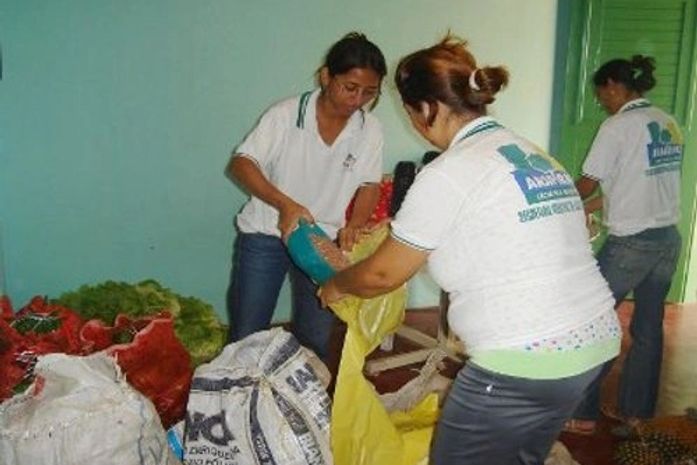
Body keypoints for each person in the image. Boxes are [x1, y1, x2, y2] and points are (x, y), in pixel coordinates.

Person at [318, 36, 621, 465]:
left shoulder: (450, 171)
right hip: (593, 344)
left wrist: (336, 285)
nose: (415, 124)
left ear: (428, 108)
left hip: (524, 358)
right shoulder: (533, 155)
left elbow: (382, 274)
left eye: (411, 113)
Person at [225, 32, 387, 362]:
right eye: (350, 87)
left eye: (369, 92)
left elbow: (369, 185)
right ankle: (238, 392)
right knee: (247, 334)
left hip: (322, 240)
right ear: (326, 76)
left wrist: (355, 223)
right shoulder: (285, 115)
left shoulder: (369, 129)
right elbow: (241, 164)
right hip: (266, 234)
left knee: (315, 338)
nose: (357, 100)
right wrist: (285, 205)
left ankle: (303, 395)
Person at [568, 55, 684, 436]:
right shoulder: (667, 122)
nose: (602, 102)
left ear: (614, 87)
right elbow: (632, 186)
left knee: (592, 321)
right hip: (667, 240)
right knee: (648, 329)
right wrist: (588, 208)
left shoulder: (616, 126)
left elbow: (588, 183)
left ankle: (582, 415)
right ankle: (636, 414)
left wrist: (557, 201)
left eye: (602, 94)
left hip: (631, 245)